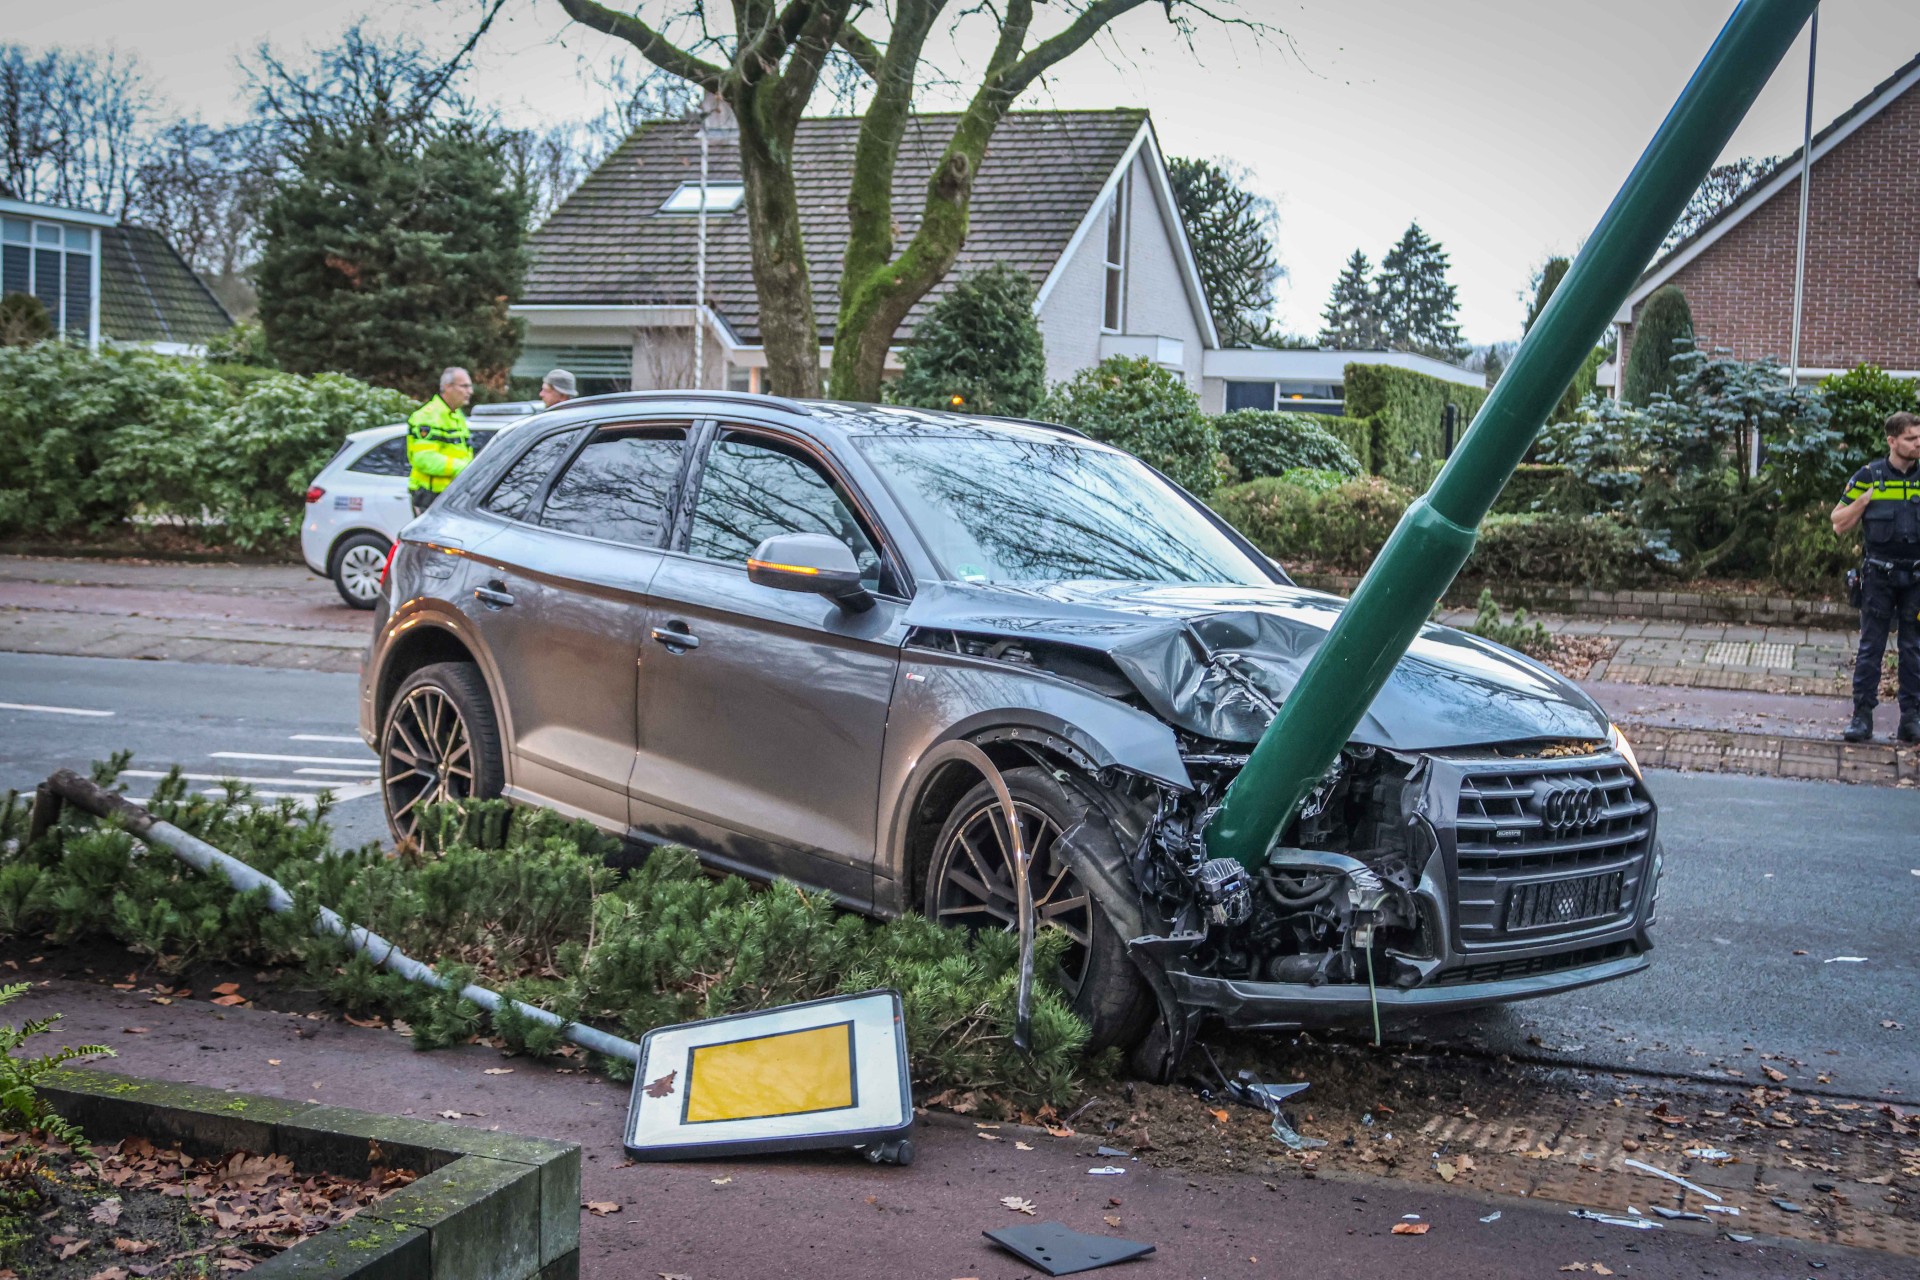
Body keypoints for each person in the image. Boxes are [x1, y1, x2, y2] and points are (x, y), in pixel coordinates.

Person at [1832, 410, 1920, 743]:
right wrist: (1863, 502)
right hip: (1879, 577)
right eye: (1911, 438)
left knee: (1914, 649)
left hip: (1916, 580)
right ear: (1892, 441)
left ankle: (1911, 719)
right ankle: (1862, 717)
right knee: (1871, 648)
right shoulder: (1868, 476)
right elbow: (1838, 522)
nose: (1918, 443)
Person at [406, 367, 474, 516]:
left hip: (449, 494)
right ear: (448, 387)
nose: (470, 391)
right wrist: (466, 469)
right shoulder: (428, 416)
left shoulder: (456, 415)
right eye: (464, 386)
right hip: (430, 496)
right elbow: (424, 459)